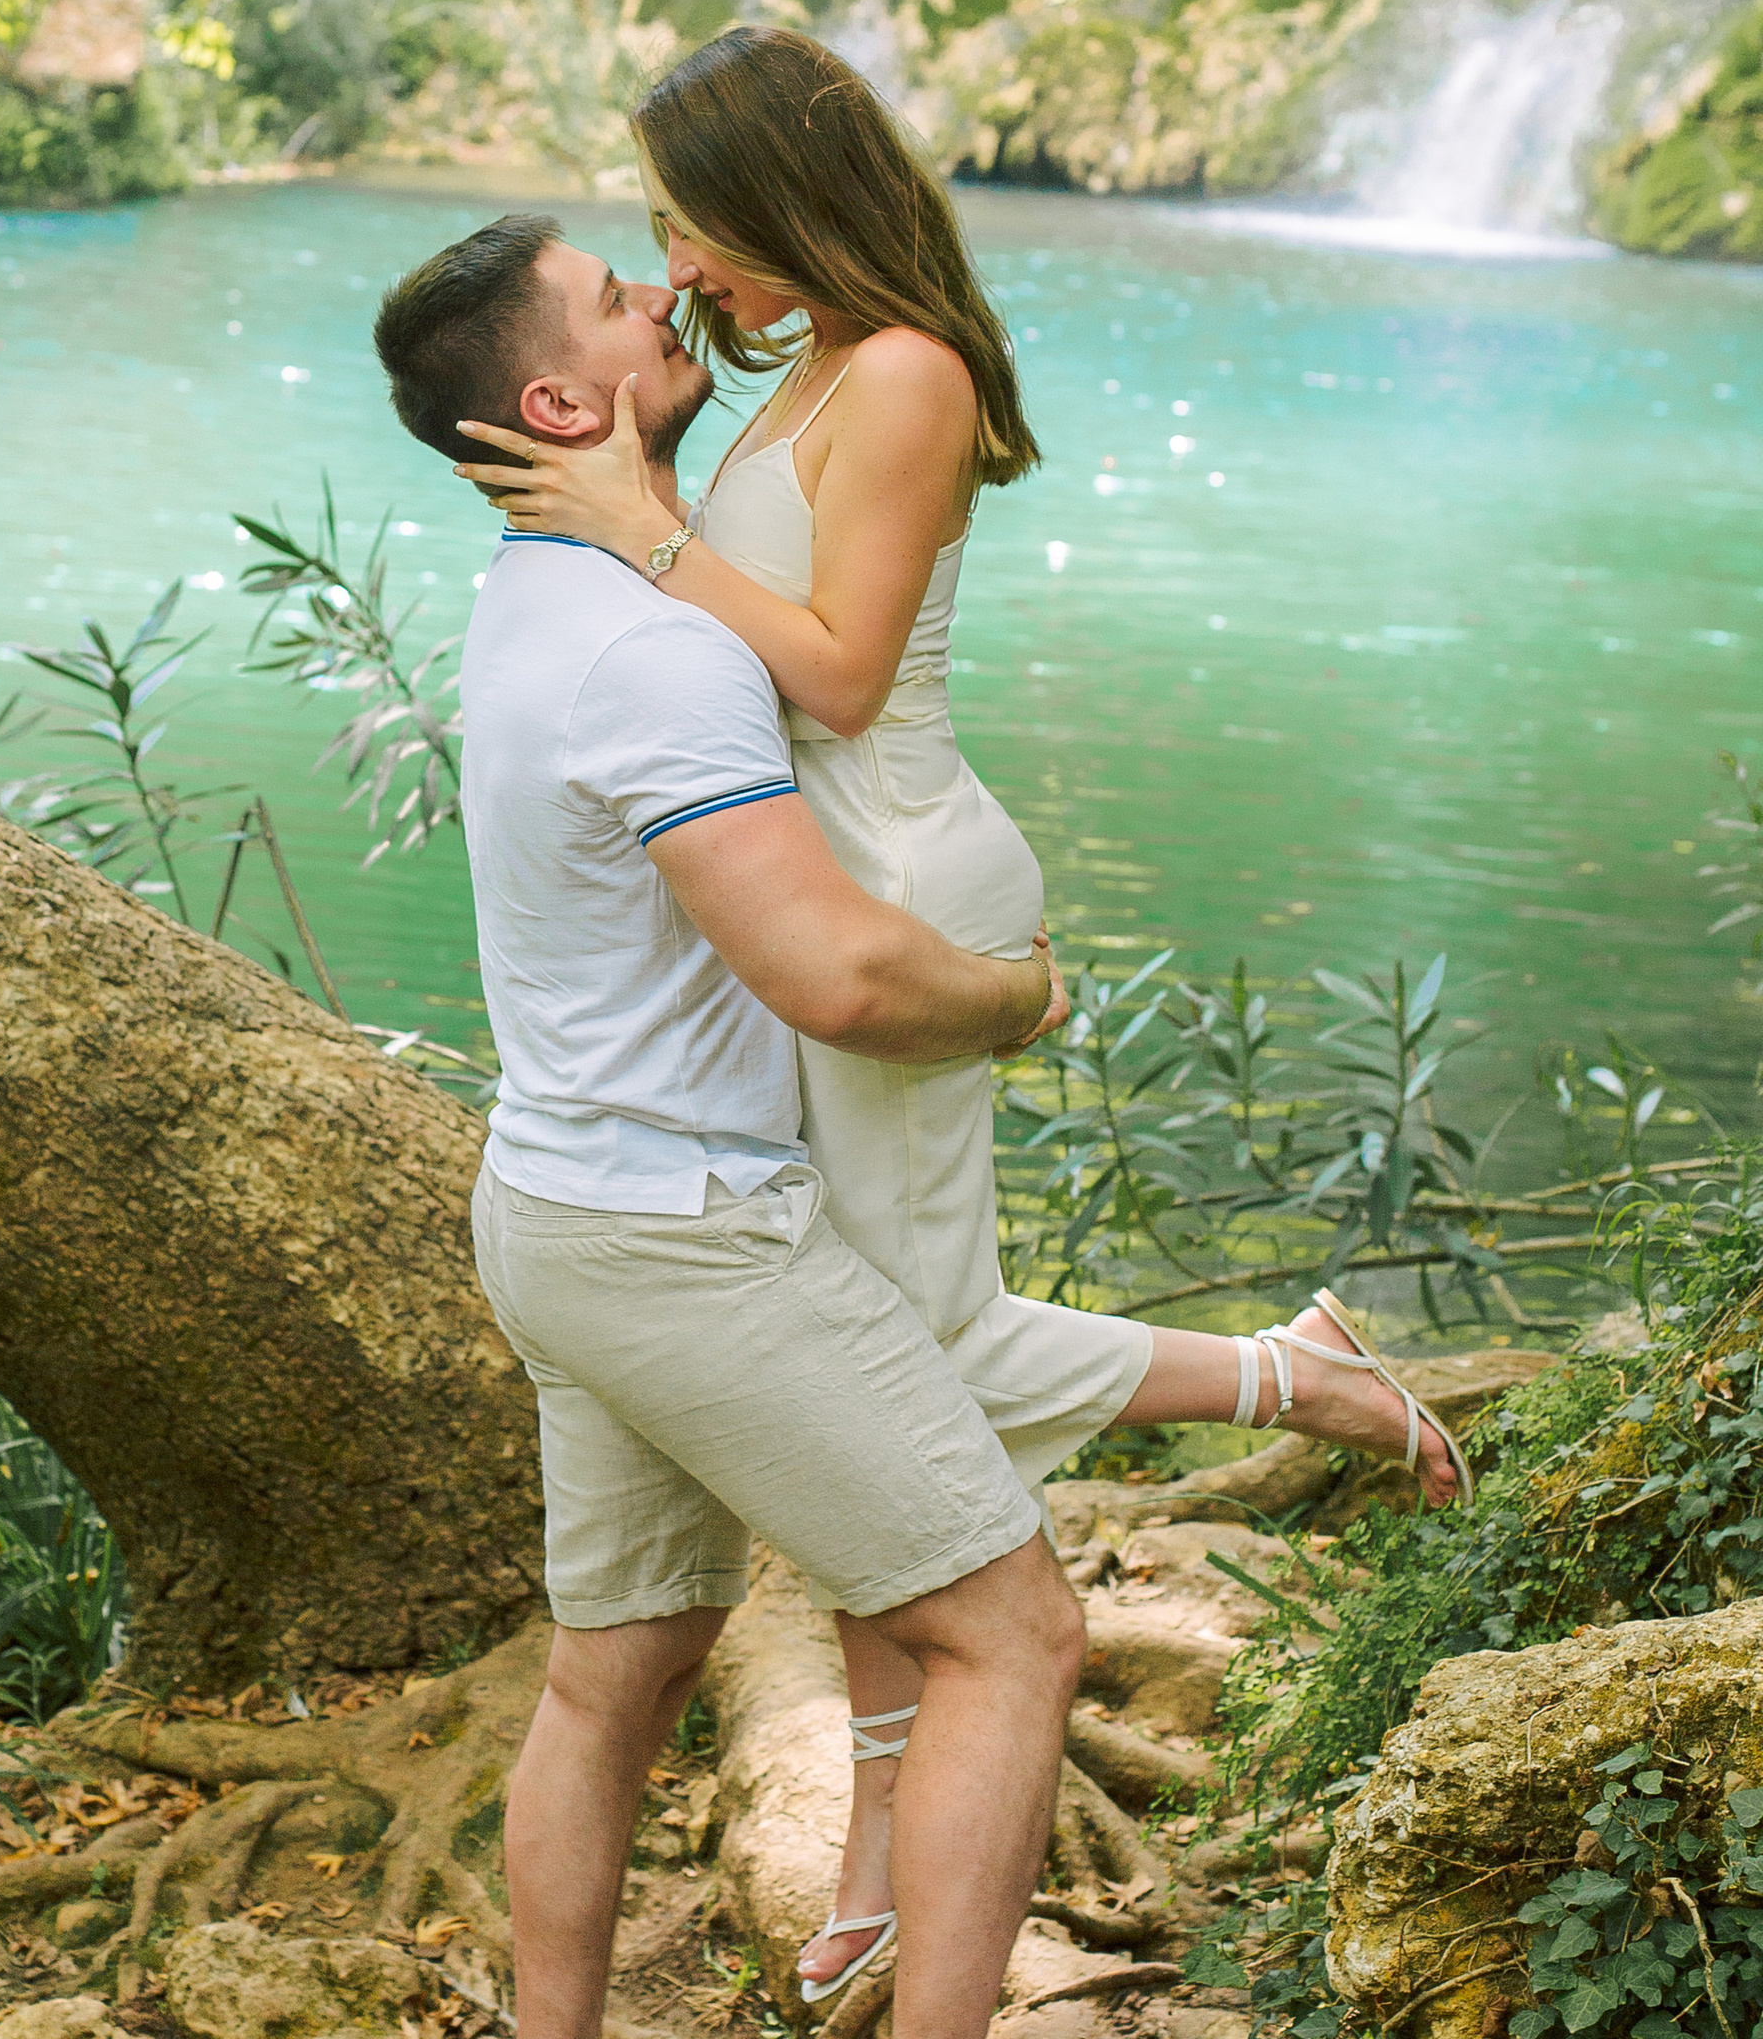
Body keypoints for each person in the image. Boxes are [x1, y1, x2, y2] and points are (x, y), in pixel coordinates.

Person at [383, 199, 1473, 2021]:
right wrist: (1022, 997)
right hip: (689, 1236)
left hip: (554, 1210)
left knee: (612, 1677)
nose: (657, 292)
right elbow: (840, 980)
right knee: (1017, 1639)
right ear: (563, 410)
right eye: (611, 292)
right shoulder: (654, 653)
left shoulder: (533, 598)